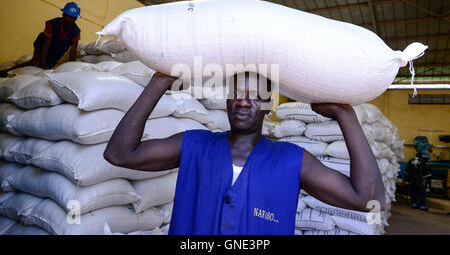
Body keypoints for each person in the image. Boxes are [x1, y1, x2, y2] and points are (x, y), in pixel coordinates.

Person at [104, 71, 386, 235]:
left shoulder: (291, 160)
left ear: (268, 105)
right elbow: (120, 153)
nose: (243, 103)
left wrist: (344, 114)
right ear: (227, 100)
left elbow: (369, 199)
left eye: (255, 97)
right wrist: (160, 82)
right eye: (237, 94)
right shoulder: (194, 145)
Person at [0, 2, 81, 77]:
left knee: (48, 66)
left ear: (75, 19)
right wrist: (42, 64)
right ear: (63, 14)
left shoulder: (76, 31)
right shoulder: (52, 24)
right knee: (34, 63)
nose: (69, 19)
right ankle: (7, 71)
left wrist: (72, 68)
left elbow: (73, 51)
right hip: (43, 44)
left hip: (57, 49)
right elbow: (46, 44)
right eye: (67, 15)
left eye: (72, 17)